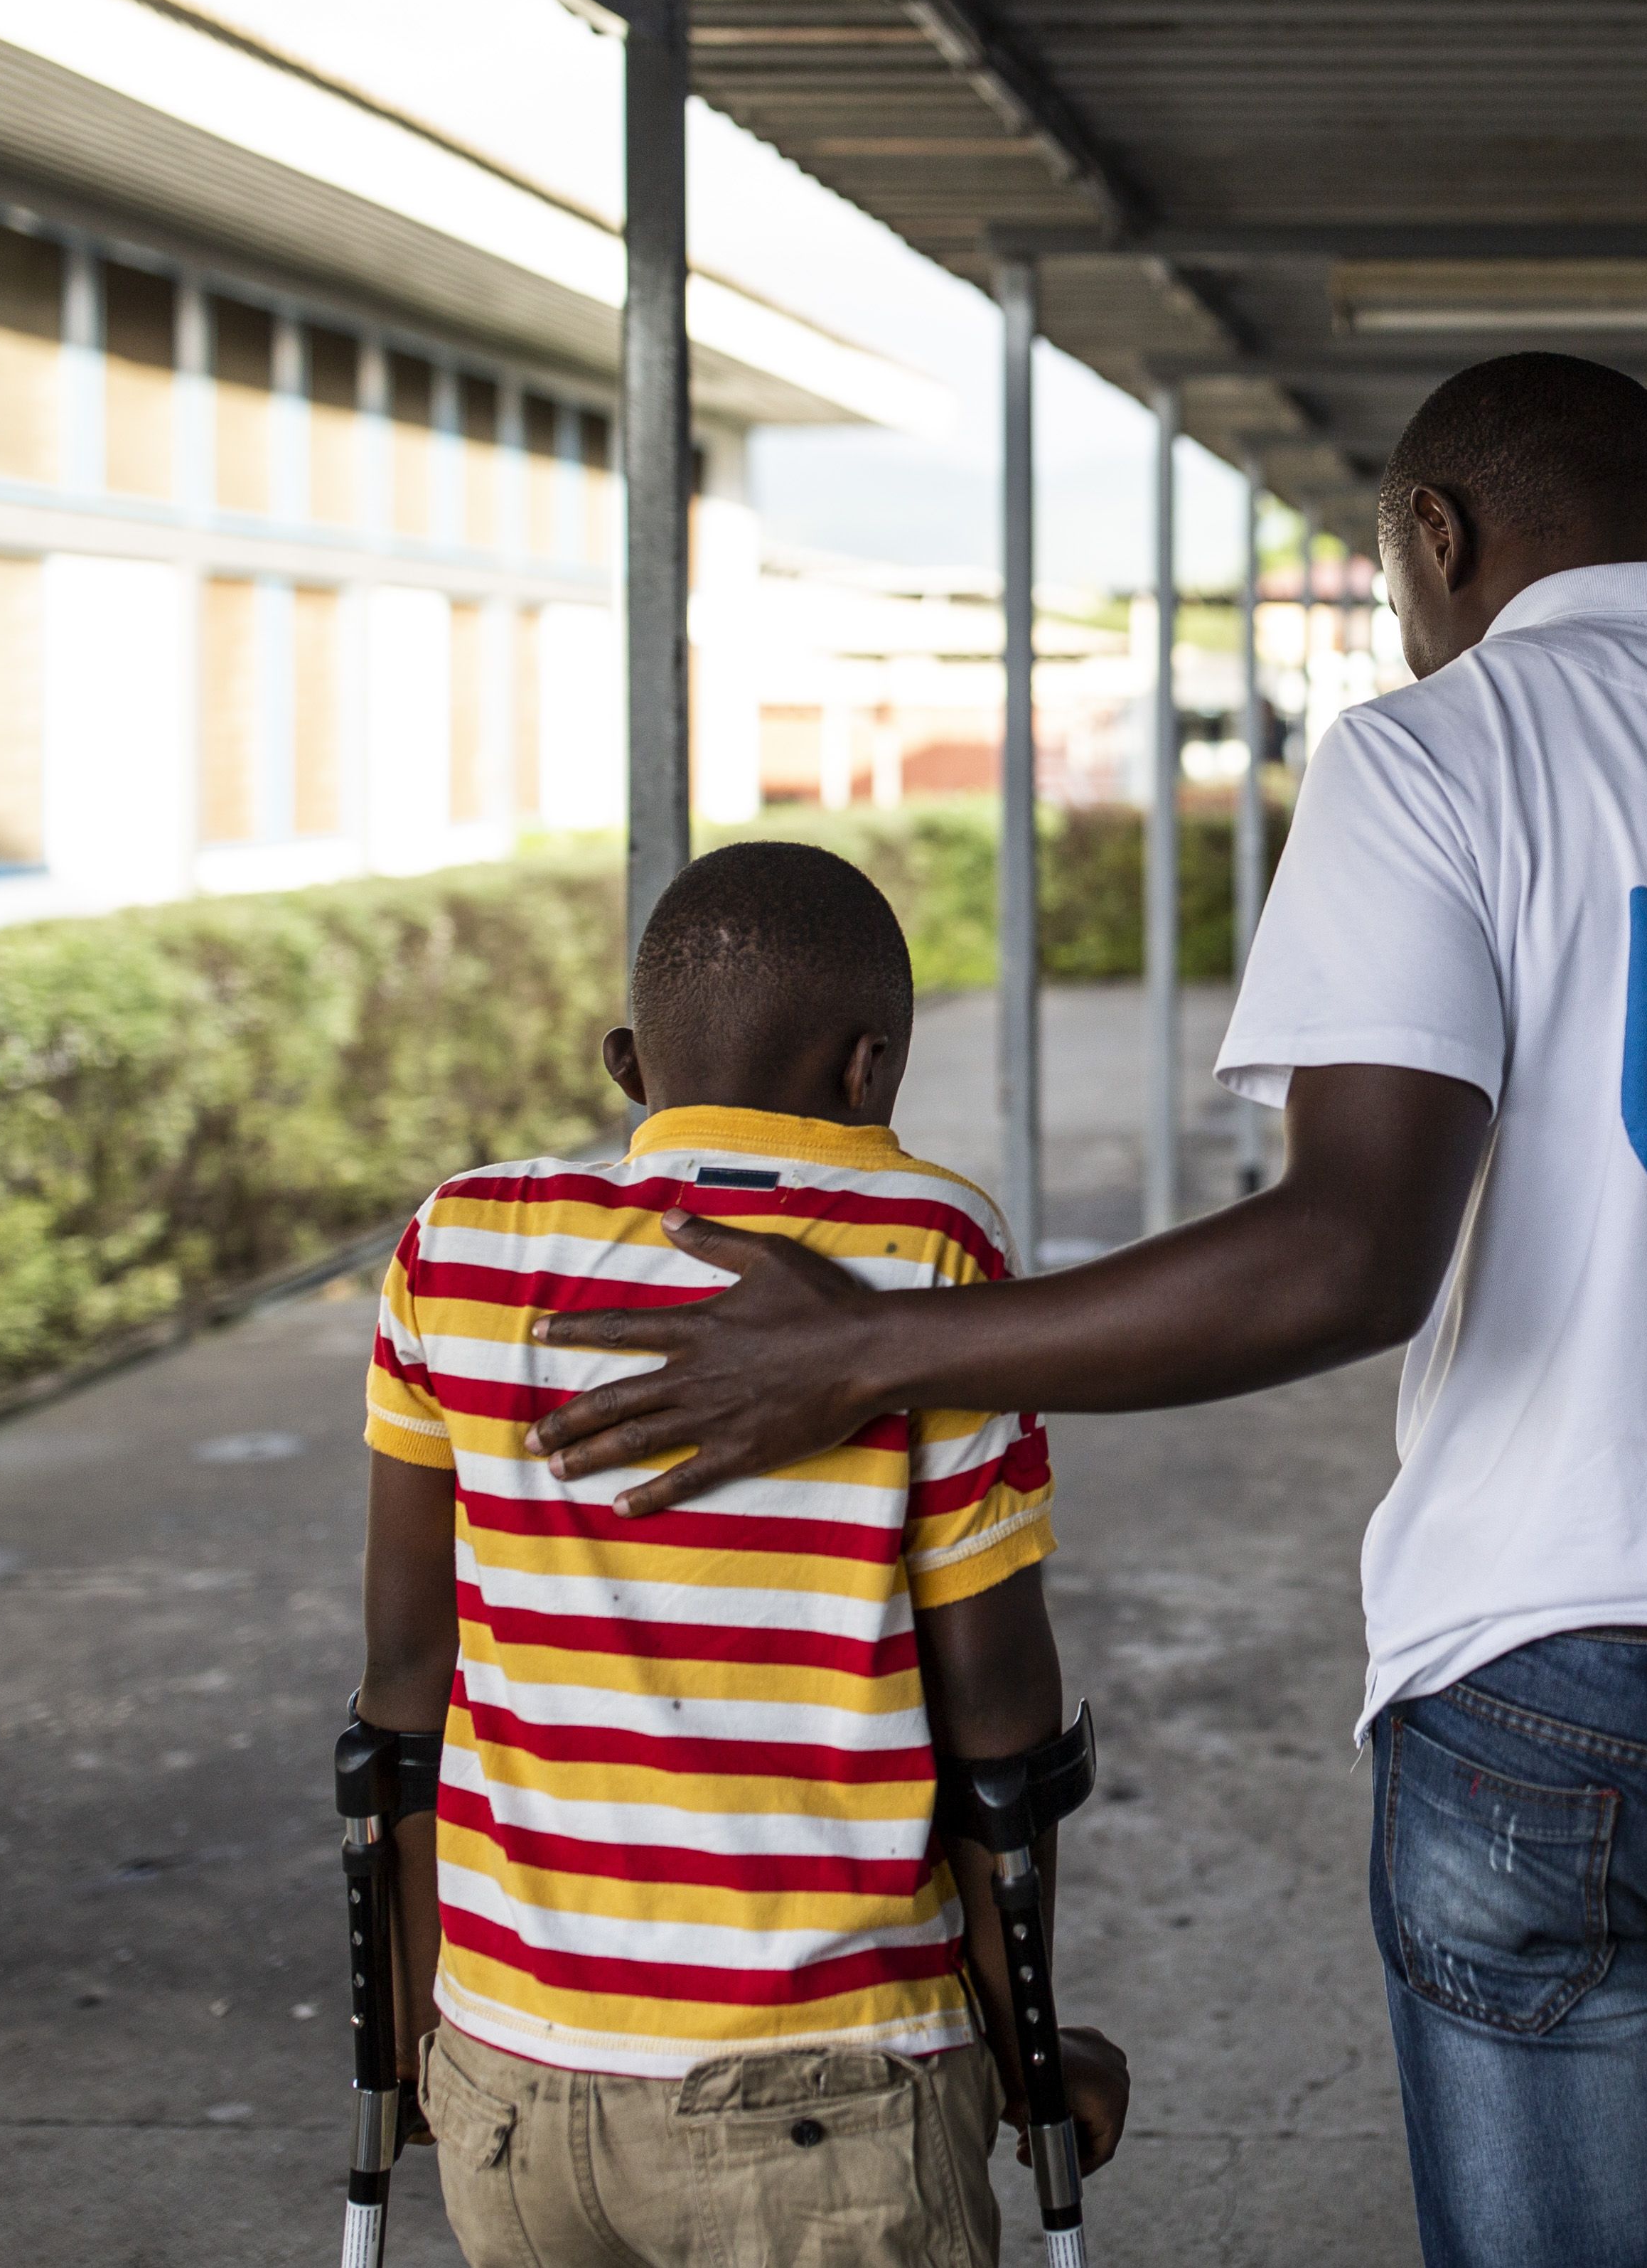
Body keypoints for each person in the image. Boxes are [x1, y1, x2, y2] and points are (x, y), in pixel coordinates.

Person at [520, 354, 1647, 2268]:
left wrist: (870, 1347)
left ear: (1435, 535)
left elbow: (1344, 1255)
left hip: (1524, 1691)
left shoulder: (1430, 756)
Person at [352, 840, 1128, 2268]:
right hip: (829, 2088)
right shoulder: (925, 1251)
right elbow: (1001, 1734)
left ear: (626, 1060)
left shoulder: (457, 1247)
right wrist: (1027, 2050)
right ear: (869, 1071)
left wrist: (412, 2042)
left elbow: (403, 1686)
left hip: (512, 2080)